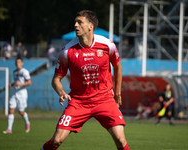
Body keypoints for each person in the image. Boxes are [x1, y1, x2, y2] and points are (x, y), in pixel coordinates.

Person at [40, 10, 130, 150]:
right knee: (56, 140)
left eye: (80, 22)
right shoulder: (67, 51)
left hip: (104, 99)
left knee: (120, 139)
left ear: (90, 26)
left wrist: (117, 92)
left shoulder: (107, 45)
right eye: (75, 22)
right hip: (78, 102)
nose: (75, 25)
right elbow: (56, 80)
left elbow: (117, 67)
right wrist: (62, 92)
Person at [3, 57, 31, 134]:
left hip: (22, 93)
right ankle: (9, 129)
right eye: (16, 62)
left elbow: (29, 82)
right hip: (14, 93)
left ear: (22, 63)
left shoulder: (24, 71)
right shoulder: (15, 72)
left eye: (19, 62)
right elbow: (16, 82)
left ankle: (27, 122)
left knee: (21, 112)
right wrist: (11, 84)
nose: (17, 63)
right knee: (10, 110)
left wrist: (20, 84)